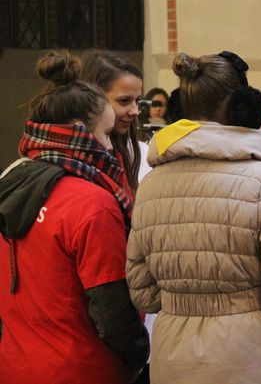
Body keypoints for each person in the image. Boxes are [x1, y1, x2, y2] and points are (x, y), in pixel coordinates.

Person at [126, 51, 261, 384]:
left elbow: (143, 294)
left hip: (174, 357)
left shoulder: (150, 184)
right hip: (253, 357)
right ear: (244, 106)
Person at [0, 51, 149, 384]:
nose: (111, 148)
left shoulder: (10, 182)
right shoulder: (92, 202)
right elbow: (112, 311)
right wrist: (139, 355)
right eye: (107, 134)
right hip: (82, 367)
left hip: (16, 362)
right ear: (81, 133)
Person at [81, 50, 148, 188]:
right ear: (94, 98)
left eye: (137, 101)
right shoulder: (70, 158)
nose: (135, 111)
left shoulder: (138, 152)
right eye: (124, 101)